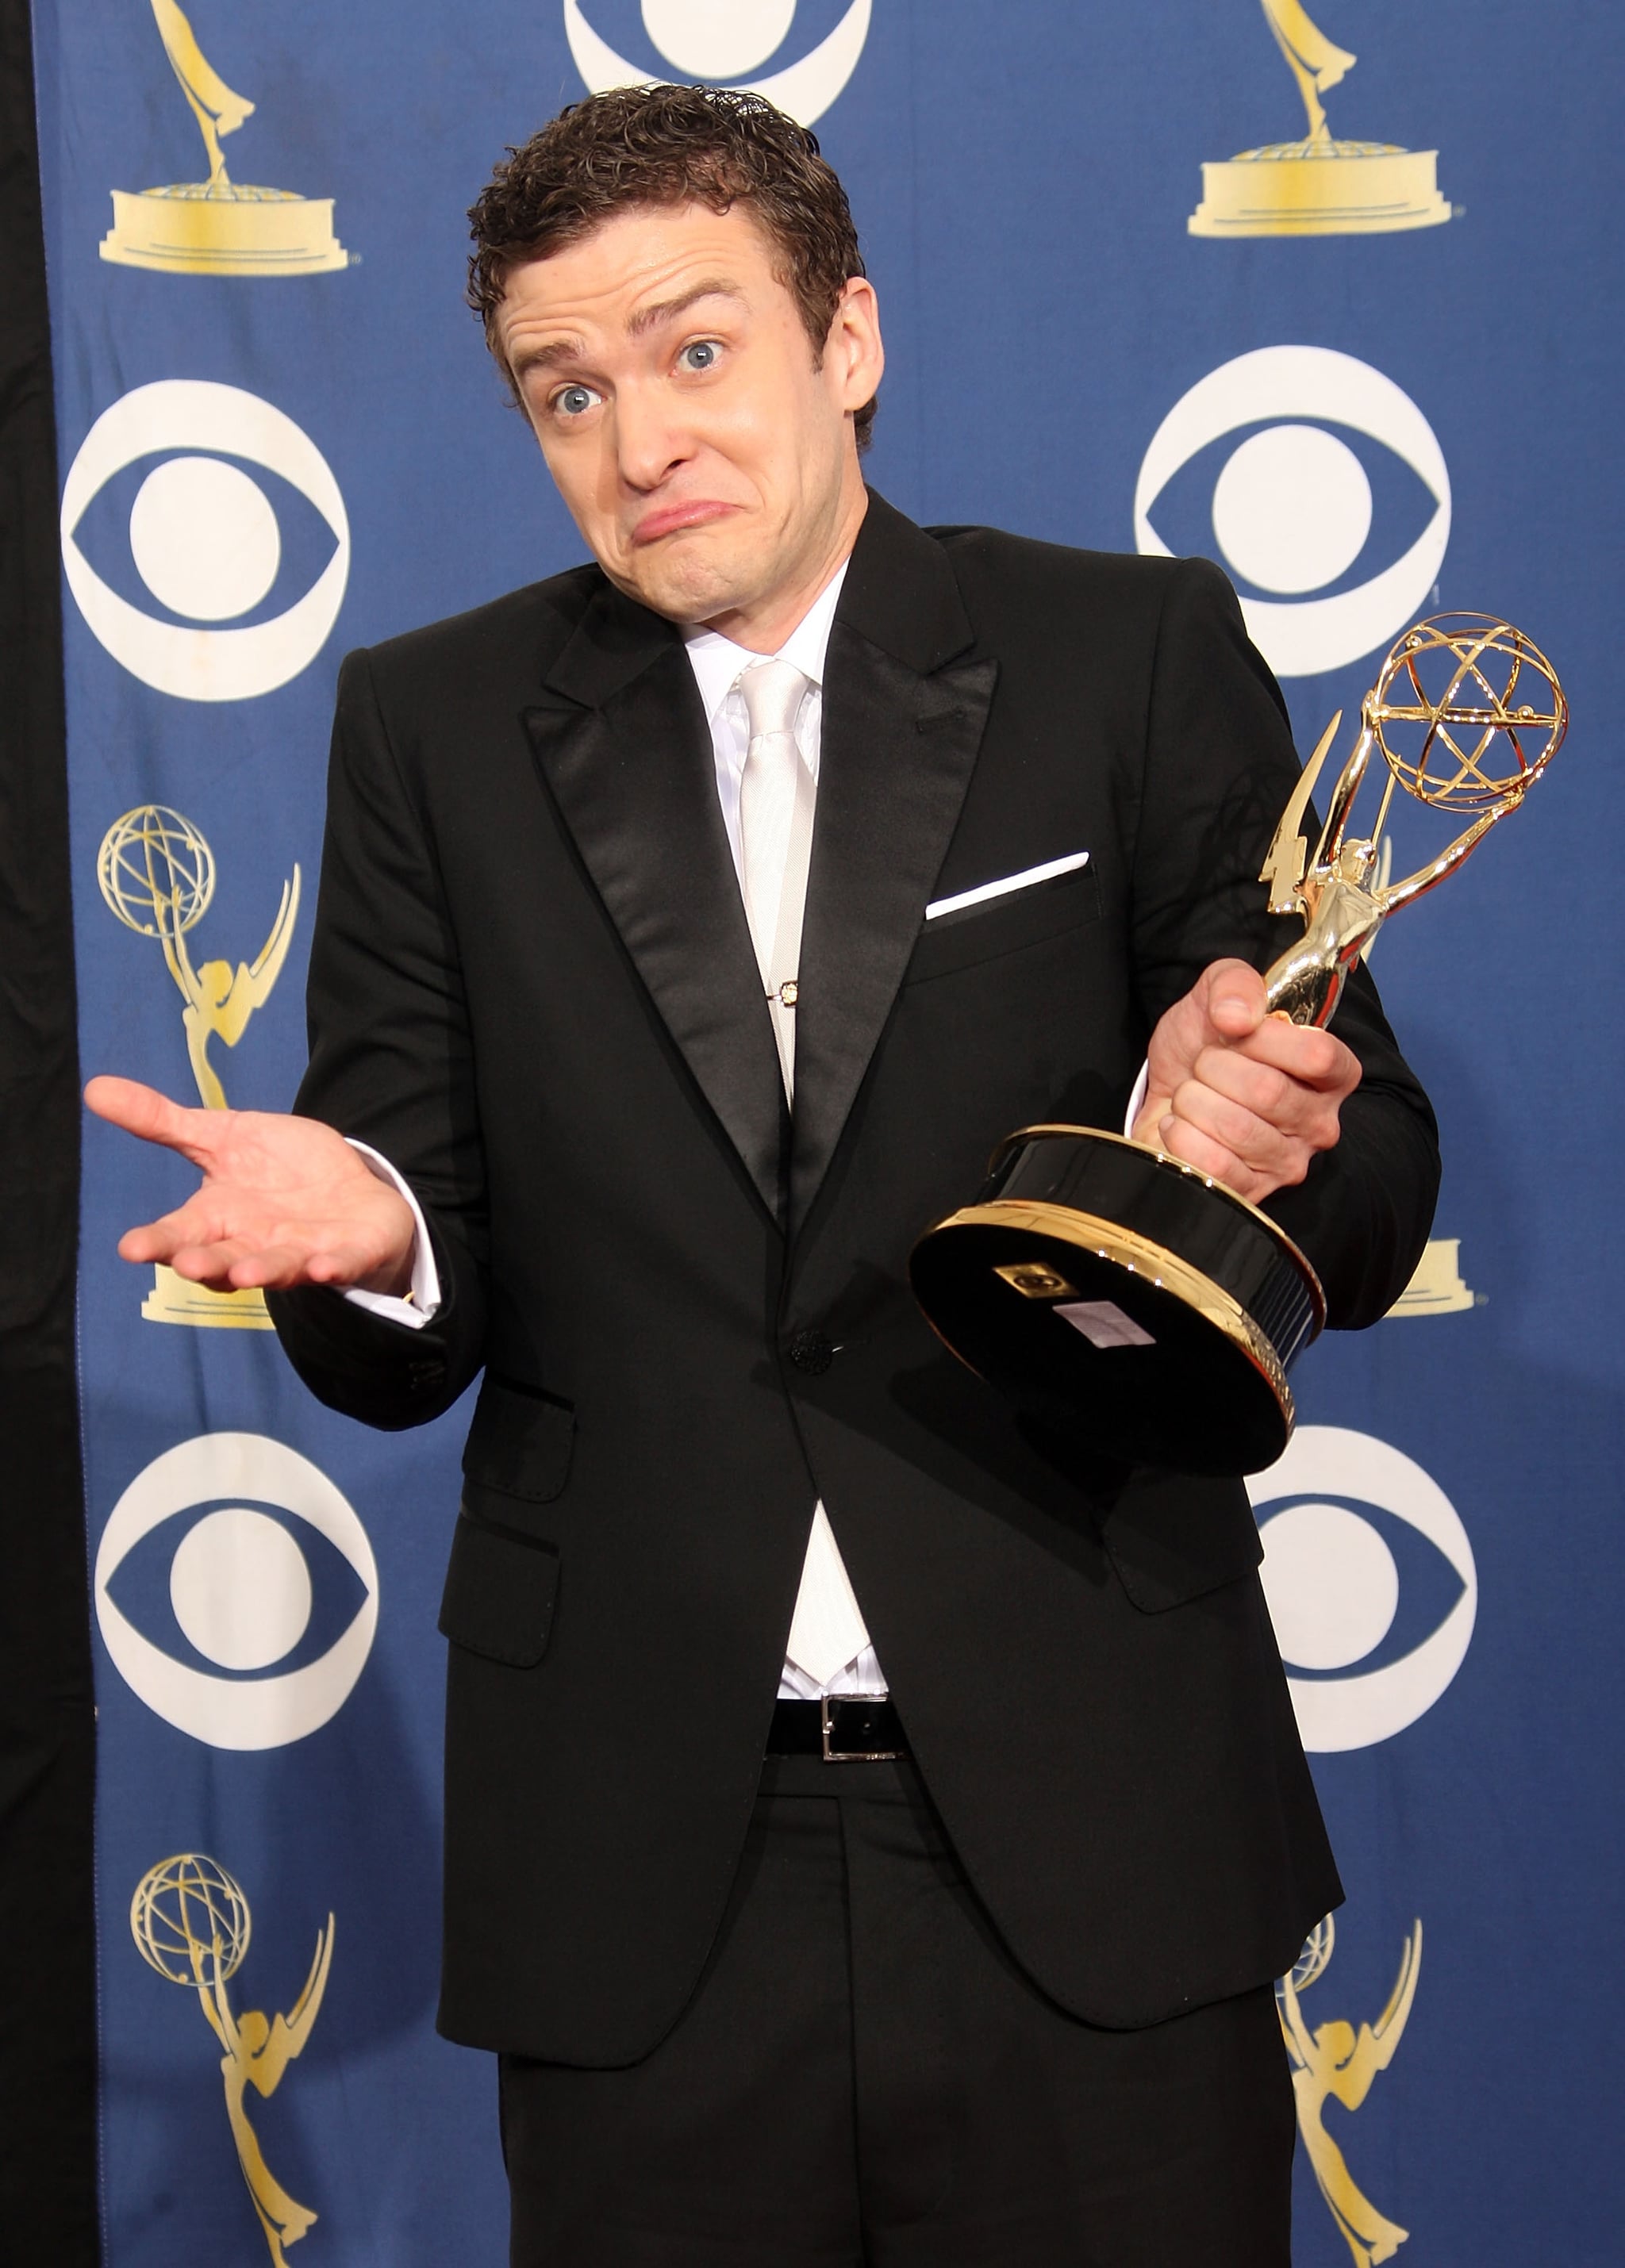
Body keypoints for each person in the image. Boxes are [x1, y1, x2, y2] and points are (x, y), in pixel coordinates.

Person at [87, 85, 1439, 2266]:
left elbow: (1368, 1184)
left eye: (696, 348)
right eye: (569, 388)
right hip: (641, 1870)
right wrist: (379, 1230)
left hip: (1087, 1824)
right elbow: (394, 1340)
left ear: (850, 339)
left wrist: (1255, 1140)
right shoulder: (427, 729)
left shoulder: (1129, 656)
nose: (640, 439)